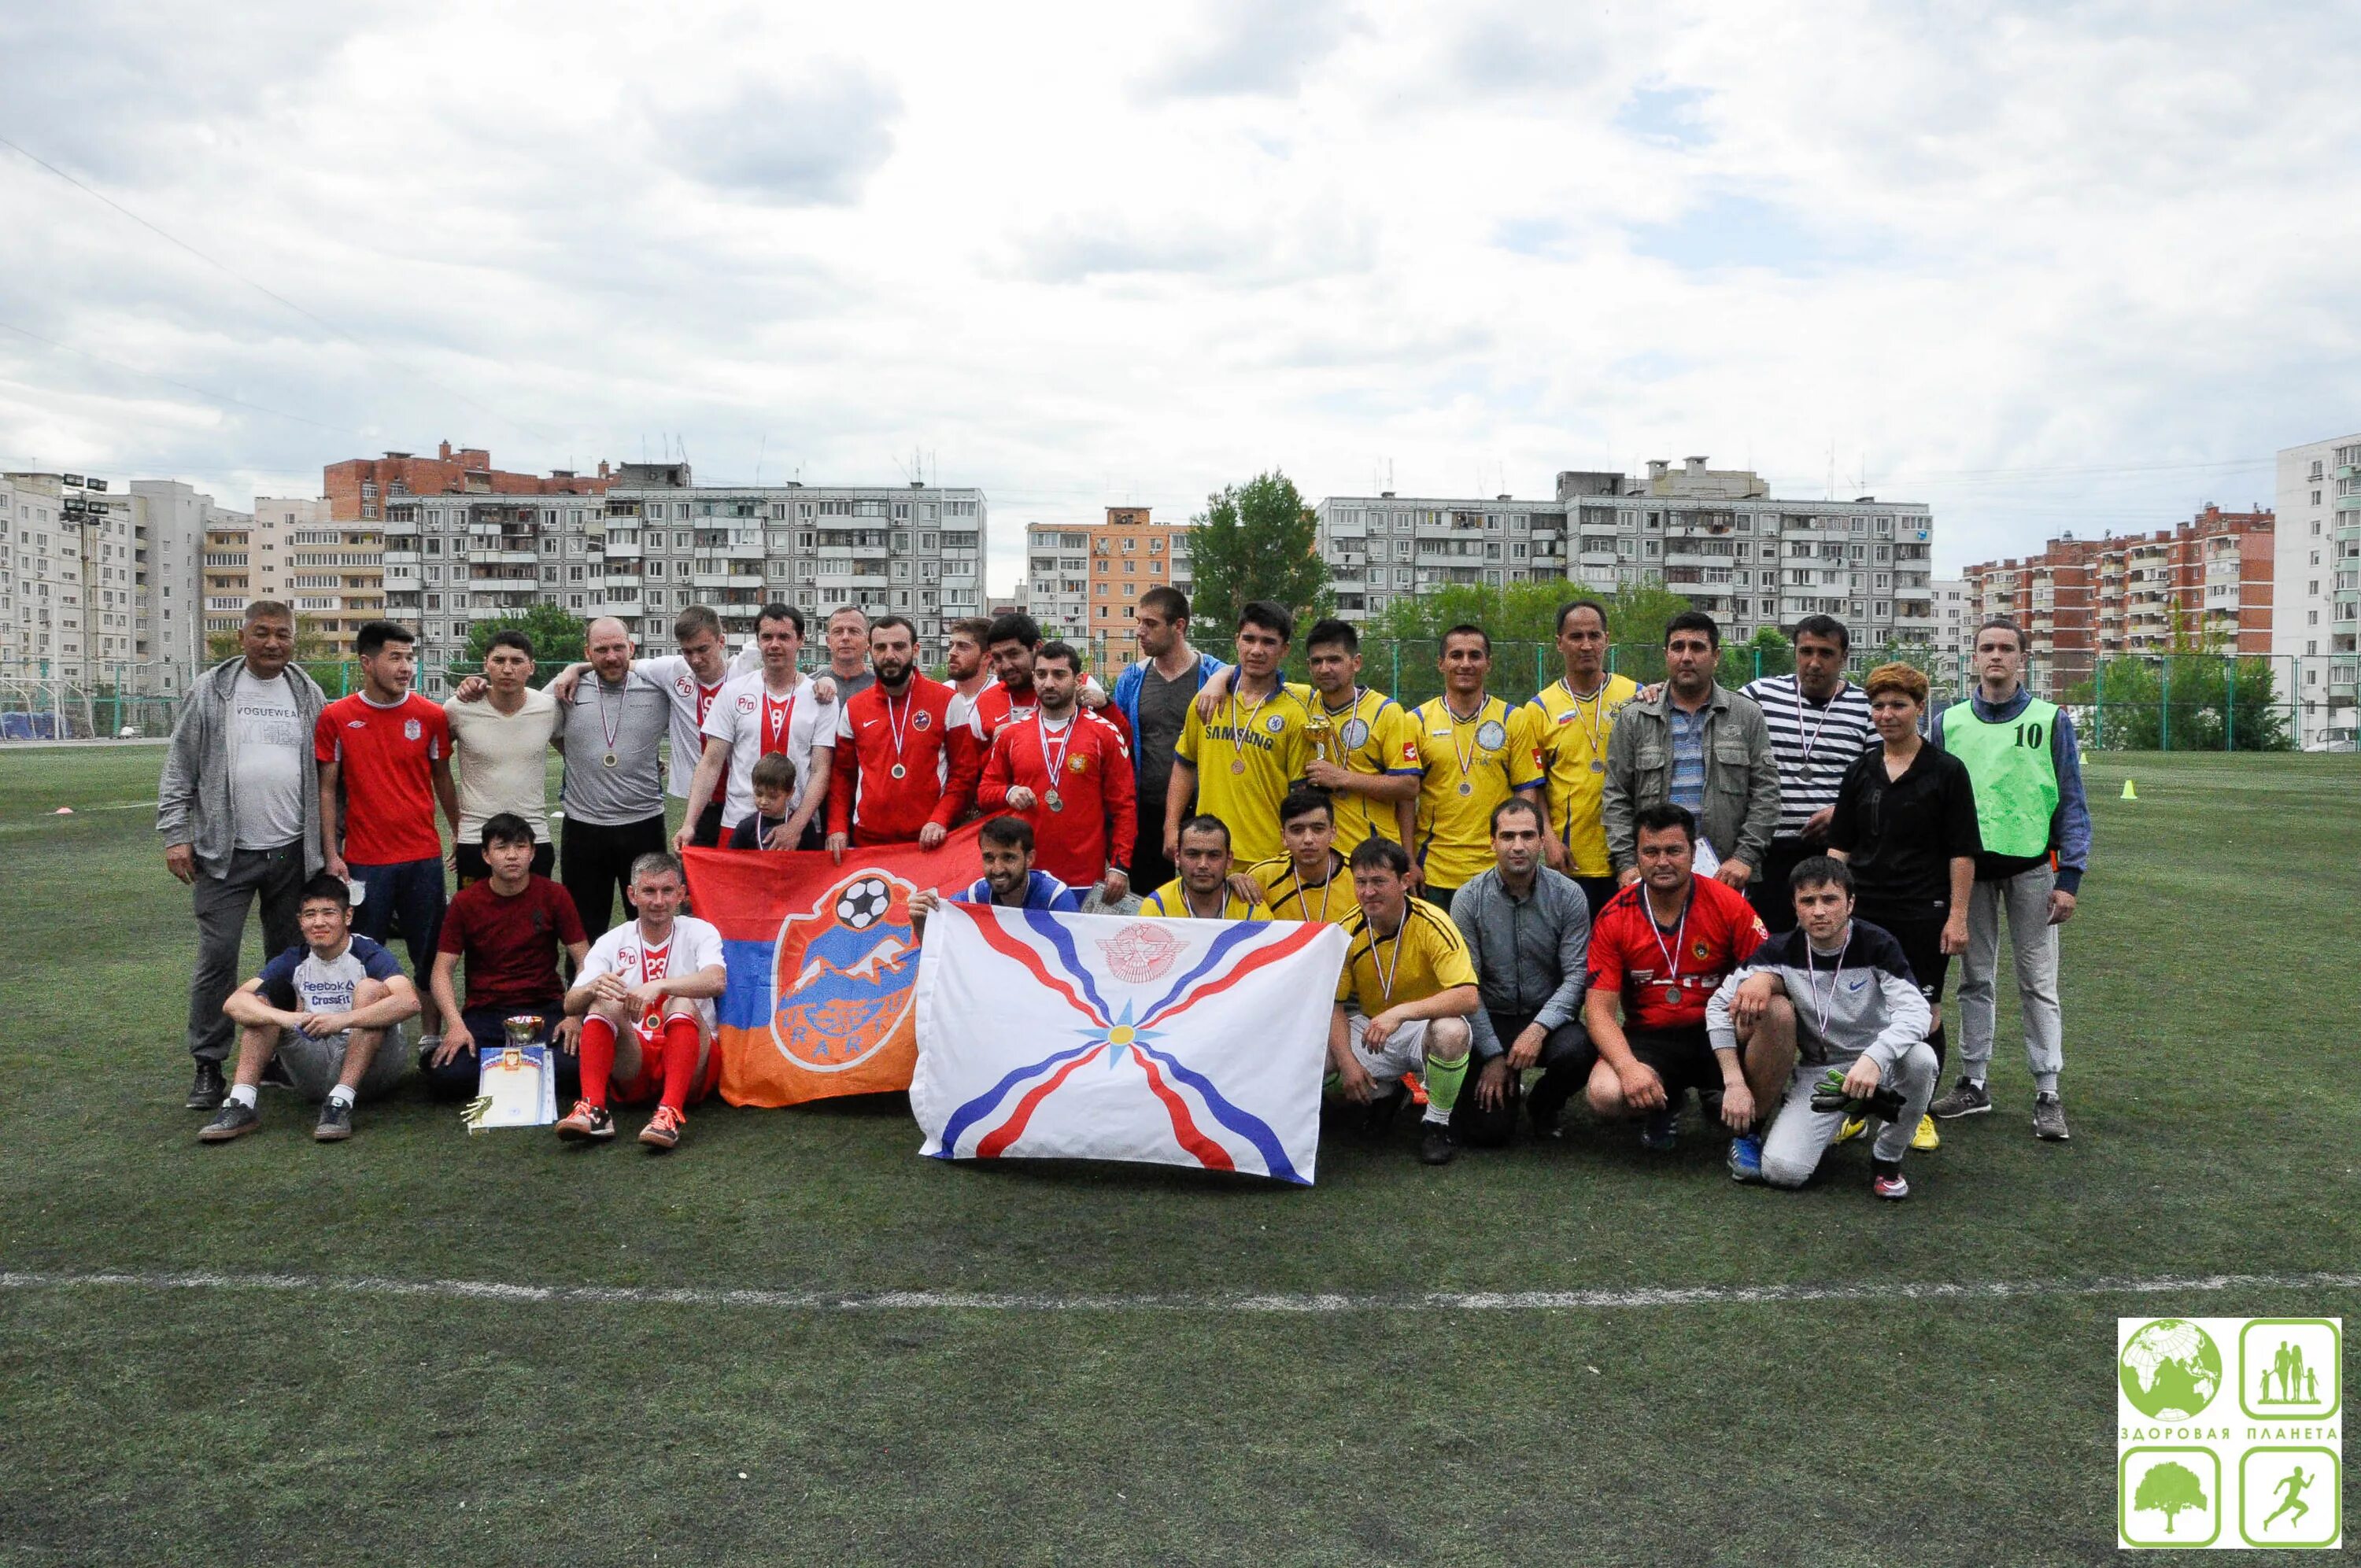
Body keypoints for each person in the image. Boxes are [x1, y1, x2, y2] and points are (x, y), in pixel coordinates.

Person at [160, 600, 327, 1112]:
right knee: (218, 958)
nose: (273, 643)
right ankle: (209, 1063)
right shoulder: (213, 689)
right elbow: (179, 763)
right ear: (242, 636)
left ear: (292, 639)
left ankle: (274, 1056)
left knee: (285, 961)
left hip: (292, 853)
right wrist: (174, 832)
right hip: (223, 854)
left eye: (282, 634)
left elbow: (327, 774)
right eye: (262, 633)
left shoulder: (308, 692)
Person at [1927, 618, 2091, 1142]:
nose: (1995, 656)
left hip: (2033, 869)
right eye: (1985, 648)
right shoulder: (1947, 721)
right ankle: (1974, 1082)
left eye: (2005, 648)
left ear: (2023, 657)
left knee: (2038, 982)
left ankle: (2047, 1090)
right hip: (1967, 871)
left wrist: (2071, 876)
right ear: (1973, 658)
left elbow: (2071, 799)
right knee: (1975, 979)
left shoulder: (2050, 720)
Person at [1709, 856, 1936, 1198]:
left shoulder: (1877, 944)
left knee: (1922, 1060)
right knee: (1782, 1172)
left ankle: (1887, 1158)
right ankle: (1847, 1115)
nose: (1819, 911)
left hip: (1879, 1067)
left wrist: (1876, 1058)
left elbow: (1918, 1012)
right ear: (1795, 907)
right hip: (1824, 1074)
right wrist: (1733, 1081)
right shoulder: (1778, 951)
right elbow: (1716, 1007)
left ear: (1850, 903)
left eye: (1829, 900)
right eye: (1808, 901)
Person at [1827, 661, 1980, 1153]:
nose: (1887, 714)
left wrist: (1957, 917)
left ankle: (1917, 1113)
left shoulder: (1947, 771)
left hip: (1923, 908)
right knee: (1861, 1011)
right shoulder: (1861, 770)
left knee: (1924, 1011)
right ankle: (1860, 1104)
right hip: (1866, 908)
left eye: (1898, 705)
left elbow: (1962, 850)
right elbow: (1840, 846)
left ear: (1919, 708)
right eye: (1878, 705)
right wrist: (1831, 903)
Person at [1582, 804, 1776, 1153]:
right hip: (1651, 1036)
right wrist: (1628, 1070)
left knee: (1778, 1011)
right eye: (1651, 852)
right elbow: (1598, 1011)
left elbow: (1775, 965)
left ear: (1692, 852)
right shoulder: (1614, 915)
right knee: (1605, 1093)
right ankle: (1662, 1102)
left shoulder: (1727, 902)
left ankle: (1752, 1127)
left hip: (1720, 1031)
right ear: (1637, 856)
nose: (1662, 862)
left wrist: (1765, 980)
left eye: (1674, 850)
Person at [315, 618, 459, 1054]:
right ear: (367, 662)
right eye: (395, 657)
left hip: (422, 857)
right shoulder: (337, 717)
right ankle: (371, 1037)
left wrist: (458, 831)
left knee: (429, 952)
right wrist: (330, 853)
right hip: (364, 861)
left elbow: (442, 779)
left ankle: (432, 1036)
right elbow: (326, 788)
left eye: (409, 658)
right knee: (366, 953)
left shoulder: (430, 715)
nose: (405, 667)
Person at [198, 874, 420, 1143]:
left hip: (372, 1069)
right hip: (314, 1066)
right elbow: (234, 1003)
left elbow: (409, 1001)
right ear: (300, 921)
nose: (318, 922)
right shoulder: (295, 957)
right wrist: (288, 1018)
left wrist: (342, 1021)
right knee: (265, 1001)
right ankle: (241, 1103)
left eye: (328, 913)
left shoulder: (368, 952)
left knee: (370, 990)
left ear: (347, 916)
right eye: (310, 914)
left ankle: (341, 1102)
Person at [1195, 618, 1418, 856]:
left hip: (1369, 851)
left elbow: (1408, 786)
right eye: (1317, 661)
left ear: (1356, 663)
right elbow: (1249, 672)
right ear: (1308, 666)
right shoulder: (1300, 701)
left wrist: (1343, 778)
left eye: (1334, 660)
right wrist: (1217, 679)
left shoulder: (1387, 712)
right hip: (1314, 853)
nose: (1325, 668)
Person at [554, 853, 728, 1151]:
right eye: (649, 891)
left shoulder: (700, 930)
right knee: (601, 1002)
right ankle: (594, 1110)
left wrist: (660, 986)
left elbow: (716, 981)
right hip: (636, 1059)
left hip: (693, 1063)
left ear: (682, 894)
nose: (658, 901)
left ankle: (669, 1113)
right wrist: (593, 987)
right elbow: (571, 1005)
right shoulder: (613, 940)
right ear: (632, 895)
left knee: (682, 1002)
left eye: (667, 891)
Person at [1450, 796, 1594, 1149]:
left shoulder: (1569, 895)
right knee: (1487, 1135)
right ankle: (1499, 1079)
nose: (1518, 846)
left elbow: (1577, 976)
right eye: (1508, 836)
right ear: (1492, 842)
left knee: (1581, 1050)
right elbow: (1468, 986)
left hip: (1546, 1019)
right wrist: (1494, 1055)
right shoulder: (1468, 899)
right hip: (1490, 1018)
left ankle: (1544, 1104)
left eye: (1528, 836)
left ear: (1542, 841)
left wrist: (1538, 1029)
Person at [1602, 611, 1779, 896]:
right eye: (1678, 647)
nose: (1686, 656)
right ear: (1666, 654)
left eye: (1697, 647)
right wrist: (1626, 864)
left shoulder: (1747, 716)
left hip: (1726, 875)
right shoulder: (1635, 718)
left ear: (1716, 655)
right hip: (1653, 874)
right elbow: (1616, 797)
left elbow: (1766, 794)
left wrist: (1744, 858)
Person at [1328, 836, 1482, 1164]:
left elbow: (1469, 997)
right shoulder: (1345, 930)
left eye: (1379, 881)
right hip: (1371, 1027)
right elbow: (1334, 1005)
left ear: (1404, 881)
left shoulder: (1433, 923)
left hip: (1421, 1028)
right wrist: (1347, 1064)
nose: (1368, 892)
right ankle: (1384, 1092)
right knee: (1316, 1057)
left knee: (1452, 1033)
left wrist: (1402, 1013)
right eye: (1361, 882)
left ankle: (1437, 1124)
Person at [424, 813, 589, 1101]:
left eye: (521, 847)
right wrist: (456, 1025)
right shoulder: (465, 902)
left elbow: (585, 958)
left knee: (578, 1069)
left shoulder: (555, 895)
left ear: (533, 853)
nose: (512, 856)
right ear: (486, 856)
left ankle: (507, 1068)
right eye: (501, 848)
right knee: (446, 1076)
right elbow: (441, 971)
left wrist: (575, 1015)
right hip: (486, 1014)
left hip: (546, 1010)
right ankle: (525, 1067)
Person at [1739, 614, 1876, 932]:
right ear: (1796, 653)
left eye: (1826, 654)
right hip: (1772, 849)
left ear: (1844, 658)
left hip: (1835, 851)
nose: (1814, 663)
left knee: (1828, 942)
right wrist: (1663, 689)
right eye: (1806, 652)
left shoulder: (1865, 706)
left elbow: (1880, 780)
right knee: (1772, 942)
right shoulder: (1761, 695)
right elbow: (1713, 705)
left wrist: (1843, 813)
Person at [976, 640, 1135, 904]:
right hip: (1027, 876)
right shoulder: (1013, 734)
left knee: (1076, 945)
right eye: (1041, 674)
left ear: (1077, 680)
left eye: (1059, 674)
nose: (1049, 683)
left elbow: (1124, 806)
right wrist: (1009, 792)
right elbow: (985, 792)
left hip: (1084, 874)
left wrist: (1120, 865)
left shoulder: (1104, 733)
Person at [1404, 625, 1546, 912]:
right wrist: (1408, 859)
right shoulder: (1416, 721)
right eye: (1456, 655)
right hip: (1434, 867)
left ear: (1488, 664)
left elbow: (1526, 790)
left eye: (1475, 655)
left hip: (1495, 868)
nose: (1465, 664)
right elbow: (1406, 800)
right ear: (1441, 663)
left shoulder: (1513, 719)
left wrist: (1515, 847)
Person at [1167, 601, 1317, 869]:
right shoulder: (1206, 701)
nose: (1257, 651)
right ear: (1237, 641)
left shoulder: (1295, 713)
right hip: (1208, 853)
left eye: (1268, 642)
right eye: (1249, 639)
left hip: (1268, 857)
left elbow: (1299, 795)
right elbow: (1184, 765)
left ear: (1285, 650)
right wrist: (1171, 827)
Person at [679, 603, 836, 854]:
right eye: (767, 637)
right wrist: (689, 824)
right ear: (758, 641)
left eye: (784, 637)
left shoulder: (821, 697)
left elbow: (821, 770)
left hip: (798, 828)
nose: (774, 644)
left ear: (801, 640)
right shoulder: (733, 691)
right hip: (739, 824)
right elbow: (711, 762)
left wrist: (795, 827)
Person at [556, 618, 674, 937]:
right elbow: (532, 715)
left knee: (651, 918)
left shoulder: (656, 687)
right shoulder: (567, 687)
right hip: (584, 827)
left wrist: (575, 666)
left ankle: (649, 985)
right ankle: (581, 984)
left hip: (644, 823)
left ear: (631, 648)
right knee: (583, 923)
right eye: (601, 649)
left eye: (618, 648)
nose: (611, 657)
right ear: (588, 652)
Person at [826, 614, 980, 855]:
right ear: (870, 651)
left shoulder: (948, 701)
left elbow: (965, 773)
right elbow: (842, 776)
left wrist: (941, 818)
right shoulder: (854, 708)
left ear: (915, 649)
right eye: (880, 647)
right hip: (867, 841)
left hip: (928, 841)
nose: (889, 656)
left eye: (899, 646)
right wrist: (836, 826)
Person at [1112, 585, 1229, 895]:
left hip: (1202, 812)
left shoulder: (1211, 674)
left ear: (1179, 626)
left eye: (1150, 624)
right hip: (1146, 811)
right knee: (1148, 902)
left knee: (1202, 900)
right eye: (1138, 622)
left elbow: (1244, 672)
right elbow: (1119, 745)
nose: (1140, 631)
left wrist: (1221, 678)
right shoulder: (1131, 679)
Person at [1528, 598, 1641, 915]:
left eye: (1594, 636)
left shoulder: (1636, 695)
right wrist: (1548, 840)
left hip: (1629, 856)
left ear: (1607, 639)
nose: (1586, 645)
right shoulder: (1539, 708)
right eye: (1576, 637)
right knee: (1574, 950)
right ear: (1559, 643)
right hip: (1570, 858)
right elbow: (1534, 785)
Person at [443, 629, 559, 883]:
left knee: (534, 921)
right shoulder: (458, 709)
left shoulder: (549, 709)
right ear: (486, 664)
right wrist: (456, 827)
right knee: (477, 920)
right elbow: (436, 766)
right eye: (499, 661)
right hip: (476, 838)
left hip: (534, 837)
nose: (507, 669)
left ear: (531, 667)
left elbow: (578, 751)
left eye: (516, 661)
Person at [911, 814, 1085, 932]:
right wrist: (923, 924)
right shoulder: (975, 896)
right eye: (989, 858)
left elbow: (1077, 962)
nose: (997, 869)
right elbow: (944, 956)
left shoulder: (1055, 897)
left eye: (1008, 858)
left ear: (1030, 858)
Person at [1240, 786, 1355, 927]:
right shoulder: (1262, 877)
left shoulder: (1358, 874)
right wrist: (1230, 882)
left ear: (1333, 833)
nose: (1308, 839)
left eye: (1318, 829)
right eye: (1297, 830)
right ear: (1284, 837)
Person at [1140, 815, 1276, 919]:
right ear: (1177, 858)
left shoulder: (1250, 909)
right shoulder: (1157, 907)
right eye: (1193, 854)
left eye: (1214, 855)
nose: (1203, 865)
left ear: (1229, 860)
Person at [726, 752, 799, 849]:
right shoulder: (745, 828)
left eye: (773, 797)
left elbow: (814, 861)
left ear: (790, 793)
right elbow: (732, 860)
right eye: (759, 794)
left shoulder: (802, 828)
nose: (764, 801)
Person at [941, 615, 998, 732]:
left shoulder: (1001, 695)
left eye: (962, 646)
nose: (952, 653)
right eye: (951, 645)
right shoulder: (940, 694)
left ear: (986, 657)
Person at [821, 604, 877, 700]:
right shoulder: (811, 686)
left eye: (854, 631)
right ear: (828, 641)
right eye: (838, 632)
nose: (845, 637)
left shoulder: (883, 687)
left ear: (868, 640)